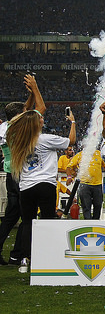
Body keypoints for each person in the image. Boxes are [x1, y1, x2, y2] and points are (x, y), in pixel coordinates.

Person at [7, 107, 76, 273]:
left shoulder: (19, 140)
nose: (43, 120)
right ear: (35, 124)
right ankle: (47, 258)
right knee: (47, 221)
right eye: (40, 119)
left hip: (26, 186)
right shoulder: (45, 139)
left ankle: (25, 259)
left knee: (27, 223)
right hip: (45, 184)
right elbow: (71, 141)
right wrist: (73, 122)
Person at [0, 75, 46, 266]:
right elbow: (39, 110)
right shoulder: (17, 127)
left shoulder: (5, 126)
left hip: (10, 175)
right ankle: (17, 254)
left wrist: (29, 96)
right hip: (21, 175)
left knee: (12, 217)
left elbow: (24, 111)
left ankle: (14, 253)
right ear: (20, 117)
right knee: (27, 216)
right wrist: (35, 88)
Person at [66, 148, 105, 220]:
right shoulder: (80, 155)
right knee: (86, 206)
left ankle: (96, 223)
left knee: (98, 205)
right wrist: (69, 176)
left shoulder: (99, 154)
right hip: (84, 184)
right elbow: (69, 167)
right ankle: (88, 223)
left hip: (97, 184)